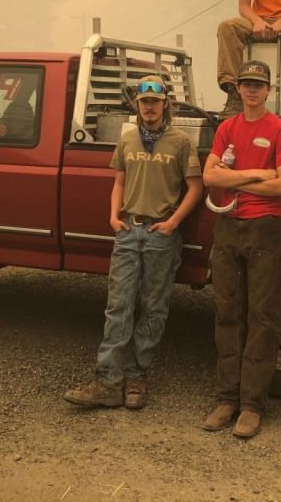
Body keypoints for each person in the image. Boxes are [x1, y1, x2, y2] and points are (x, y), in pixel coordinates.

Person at [65, 75, 203, 410]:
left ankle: (137, 377)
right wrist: (114, 217)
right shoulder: (127, 140)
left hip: (161, 236)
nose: (150, 108)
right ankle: (108, 382)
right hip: (128, 231)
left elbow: (196, 188)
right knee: (118, 307)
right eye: (144, 103)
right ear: (138, 106)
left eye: (155, 102)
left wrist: (172, 223)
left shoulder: (181, 141)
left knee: (154, 308)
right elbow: (118, 182)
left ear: (165, 104)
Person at [201, 60, 281, 438]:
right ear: (238, 89)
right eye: (246, 84)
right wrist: (258, 174)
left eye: (259, 84)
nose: (252, 90)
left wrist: (236, 181)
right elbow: (210, 175)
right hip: (227, 225)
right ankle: (227, 398)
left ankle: (252, 406)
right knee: (227, 312)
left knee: (262, 315)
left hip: (265, 229)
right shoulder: (227, 128)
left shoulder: (279, 130)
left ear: (269, 90)